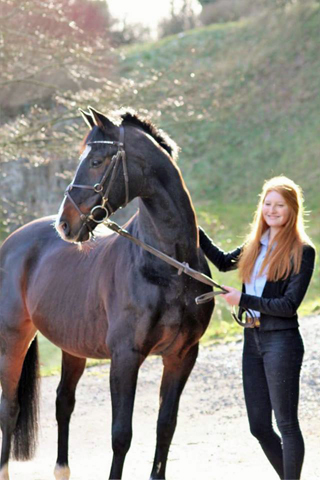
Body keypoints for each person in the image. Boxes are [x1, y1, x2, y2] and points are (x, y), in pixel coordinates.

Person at [199, 176, 315, 480]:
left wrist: (242, 298)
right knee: (259, 426)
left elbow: (289, 305)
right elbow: (223, 262)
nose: (272, 210)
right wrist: (193, 230)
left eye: (280, 205)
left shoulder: (302, 251)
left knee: (286, 424)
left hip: (282, 341)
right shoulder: (256, 244)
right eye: (267, 204)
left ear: (292, 210)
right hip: (252, 340)